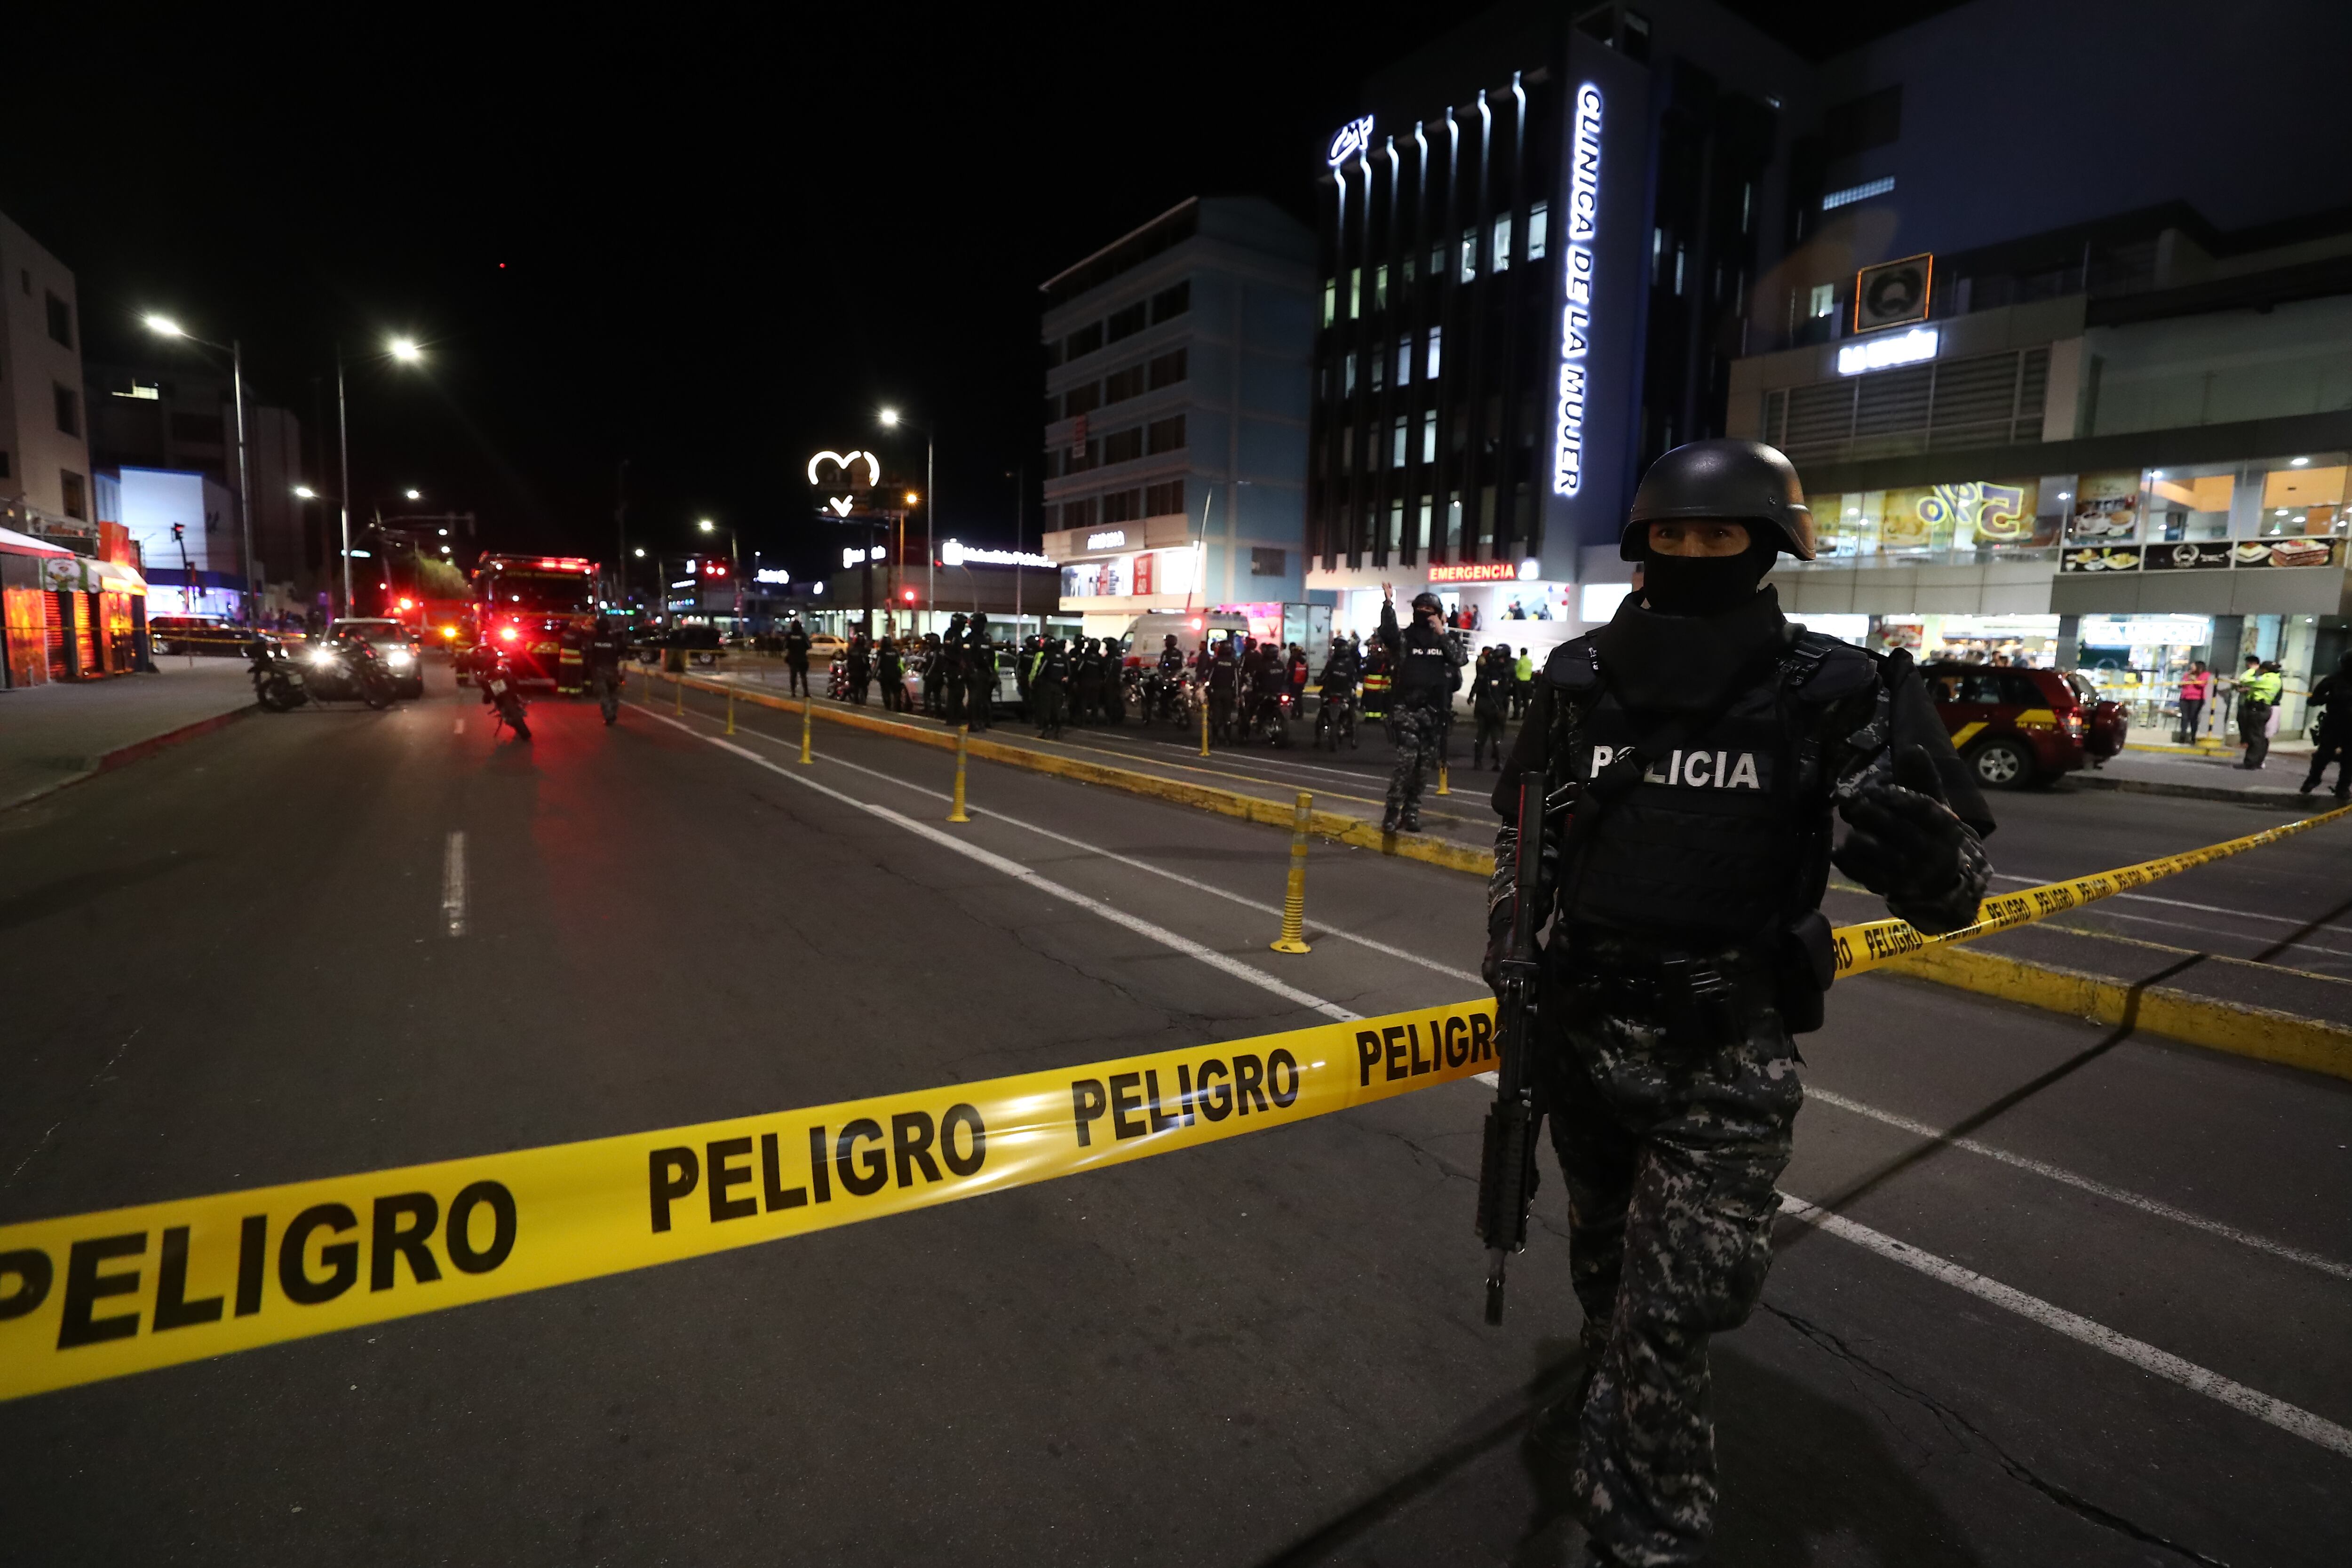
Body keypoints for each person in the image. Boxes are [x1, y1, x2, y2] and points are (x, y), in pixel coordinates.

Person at [1487, 439, 1993, 1568]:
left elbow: (1949, 883)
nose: (1694, 551)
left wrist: (1929, 872)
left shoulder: (1832, 690)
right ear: (1643, 543)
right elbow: (1527, 848)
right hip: (1586, 1036)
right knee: (1606, 1271)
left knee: (1679, 1304)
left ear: (1768, 546)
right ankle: (1611, 1406)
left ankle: (1646, 1532)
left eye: (1719, 536)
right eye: (1674, 534)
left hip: (1725, 1054)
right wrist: (1510, 952)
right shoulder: (1576, 682)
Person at [1374, 586, 1466, 832]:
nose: (1425, 614)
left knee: (1423, 768)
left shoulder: (1446, 641)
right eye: (1421, 610)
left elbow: (1460, 659)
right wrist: (1388, 604)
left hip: (1433, 713)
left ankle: (1411, 813)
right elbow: (1388, 633)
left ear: (1439, 614)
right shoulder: (1405, 638)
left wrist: (1442, 633)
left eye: (1430, 611)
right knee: (1406, 762)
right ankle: (1392, 813)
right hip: (1407, 709)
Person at [2300, 651, 2352, 799]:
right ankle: (2313, 779)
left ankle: (2343, 787)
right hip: (2334, 723)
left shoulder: (2333, 679)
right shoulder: (2333, 680)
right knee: (2324, 754)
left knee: (2349, 758)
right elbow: (2313, 701)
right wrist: (2331, 698)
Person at [2237, 656, 2283, 769]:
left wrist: (2253, 670)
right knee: (2260, 736)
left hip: (2258, 709)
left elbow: (2244, 680)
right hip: (2263, 708)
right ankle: (2257, 761)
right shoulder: (2276, 679)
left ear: (2264, 670)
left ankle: (2251, 763)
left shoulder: (2266, 679)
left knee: (2255, 737)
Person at [1470, 645, 1511, 770]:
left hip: (1482, 705)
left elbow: (1477, 684)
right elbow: (1498, 693)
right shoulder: (1498, 674)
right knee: (1496, 735)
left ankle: (1478, 762)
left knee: (1481, 735)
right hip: (1492, 707)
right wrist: (1500, 708)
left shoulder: (1484, 671)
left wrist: (1471, 696)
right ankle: (1498, 763)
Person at [586, 614, 626, 725]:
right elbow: (623, 650)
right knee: (613, 693)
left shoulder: (593, 640)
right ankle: (613, 713)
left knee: (604, 694)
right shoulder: (614, 640)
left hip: (598, 670)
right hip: (612, 670)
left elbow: (586, 652)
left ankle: (609, 716)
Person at [1029, 637, 1071, 739]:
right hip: (1059, 686)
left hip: (1047, 685)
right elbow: (1068, 673)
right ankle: (1057, 731)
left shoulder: (1048, 656)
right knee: (1056, 709)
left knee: (1046, 709)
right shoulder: (1063, 657)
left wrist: (1035, 682)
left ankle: (1045, 731)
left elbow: (1041, 671)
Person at [1206, 634, 1240, 743]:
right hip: (1228, 692)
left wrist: (1208, 689)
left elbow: (1209, 678)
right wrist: (1237, 694)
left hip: (1216, 691)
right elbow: (1237, 680)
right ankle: (1228, 739)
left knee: (1216, 715)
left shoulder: (1215, 662)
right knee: (1227, 716)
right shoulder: (1233, 662)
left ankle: (1214, 739)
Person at [965, 613, 993, 731]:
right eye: (980, 623)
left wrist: (992, 673)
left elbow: (992, 656)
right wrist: (971, 671)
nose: (982, 626)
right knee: (974, 699)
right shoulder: (969, 639)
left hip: (984, 673)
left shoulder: (985, 639)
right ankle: (973, 723)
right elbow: (966, 656)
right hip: (974, 672)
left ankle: (981, 721)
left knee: (983, 700)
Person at [2177, 660, 2210, 744]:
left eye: (2193, 666)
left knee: (2193, 717)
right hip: (2185, 698)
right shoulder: (2187, 674)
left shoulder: (2205, 675)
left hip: (2196, 699)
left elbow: (2202, 685)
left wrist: (2195, 679)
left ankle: (2193, 736)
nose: (2191, 668)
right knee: (2185, 717)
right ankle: (2182, 736)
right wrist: (2184, 681)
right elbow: (2181, 684)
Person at [783, 619, 811, 697]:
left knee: (793, 676)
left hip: (793, 658)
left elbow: (785, 646)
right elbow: (809, 646)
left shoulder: (789, 635)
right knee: (803, 676)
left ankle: (793, 692)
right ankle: (806, 693)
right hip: (802, 658)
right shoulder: (803, 635)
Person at [877, 638, 907, 712]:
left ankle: (888, 708)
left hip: (885, 676)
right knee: (896, 692)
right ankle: (897, 707)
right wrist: (901, 672)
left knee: (886, 692)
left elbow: (877, 664)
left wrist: (873, 674)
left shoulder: (881, 652)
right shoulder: (895, 652)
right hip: (895, 675)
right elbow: (900, 663)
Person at [844, 632, 872, 706]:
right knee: (864, 687)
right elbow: (868, 662)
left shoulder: (851, 650)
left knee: (855, 687)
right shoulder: (865, 651)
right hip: (863, 672)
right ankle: (862, 700)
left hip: (854, 672)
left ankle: (856, 700)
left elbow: (848, 662)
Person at [1512, 645, 1536, 719]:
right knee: (1526, 700)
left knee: (1518, 699)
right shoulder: (1530, 662)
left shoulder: (1520, 661)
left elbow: (1516, 670)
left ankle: (1516, 716)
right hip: (1528, 682)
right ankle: (1526, 716)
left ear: (1521, 653)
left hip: (1520, 682)